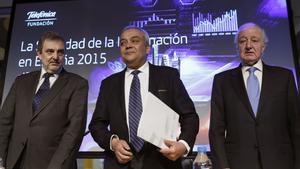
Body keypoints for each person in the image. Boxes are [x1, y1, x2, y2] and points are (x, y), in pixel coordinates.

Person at [89, 26, 199, 169]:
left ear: (148, 48)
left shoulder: (168, 76)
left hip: (163, 163)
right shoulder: (109, 84)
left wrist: (183, 144)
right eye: (123, 43)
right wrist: (114, 143)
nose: (127, 45)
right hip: (119, 163)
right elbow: (97, 124)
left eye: (134, 41)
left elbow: (190, 116)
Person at [209, 22, 300, 169]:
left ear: (263, 47)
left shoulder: (284, 77)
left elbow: (296, 126)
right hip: (238, 163)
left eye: (255, 40)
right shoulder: (222, 81)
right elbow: (216, 130)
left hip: (281, 163)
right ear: (237, 47)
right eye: (243, 41)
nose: (248, 45)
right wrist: (222, 166)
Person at [0, 31, 88, 169]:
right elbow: (4, 122)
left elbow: (74, 132)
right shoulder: (21, 82)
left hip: (52, 164)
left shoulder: (77, 84)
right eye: (50, 51)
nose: (55, 57)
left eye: (60, 52)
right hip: (14, 162)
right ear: (39, 54)